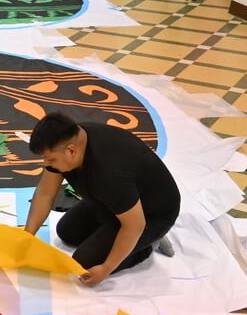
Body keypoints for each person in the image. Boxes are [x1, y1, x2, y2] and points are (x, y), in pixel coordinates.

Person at [23, 113, 180, 286]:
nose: (46, 163)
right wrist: (27, 235)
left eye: (50, 159)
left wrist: (107, 268)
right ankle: (112, 227)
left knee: (86, 262)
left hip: (150, 214)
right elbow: (46, 192)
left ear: (71, 151)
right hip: (112, 202)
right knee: (67, 231)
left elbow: (134, 225)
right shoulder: (70, 139)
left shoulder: (109, 173)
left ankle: (149, 244)